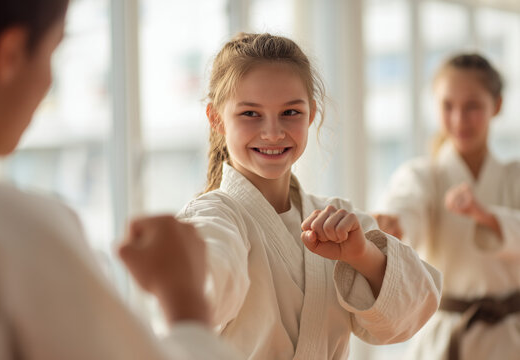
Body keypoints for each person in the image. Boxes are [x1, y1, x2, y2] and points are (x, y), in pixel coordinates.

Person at [0, 1, 242, 359]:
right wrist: (184, 299)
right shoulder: (17, 231)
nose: (49, 81)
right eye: (52, 53)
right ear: (9, 54)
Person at [165, 32, 442, 359]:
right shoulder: (212, 218)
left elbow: (413, 312)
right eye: (250, 114)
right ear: (216, 119)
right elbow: (203, 293)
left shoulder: (338, 216)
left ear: (311, 113)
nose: (272, 132)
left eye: (290, 112)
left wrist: (361, 254)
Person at [374, 53, 520, 360]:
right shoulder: (424, 176)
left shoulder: (514, 176)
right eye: (448, 106)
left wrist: (485, 216)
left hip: (510, 338)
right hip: (444, 341)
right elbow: (406, 204)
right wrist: (393, 225)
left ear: (497, 106)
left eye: (472, 107)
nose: (459, 119)